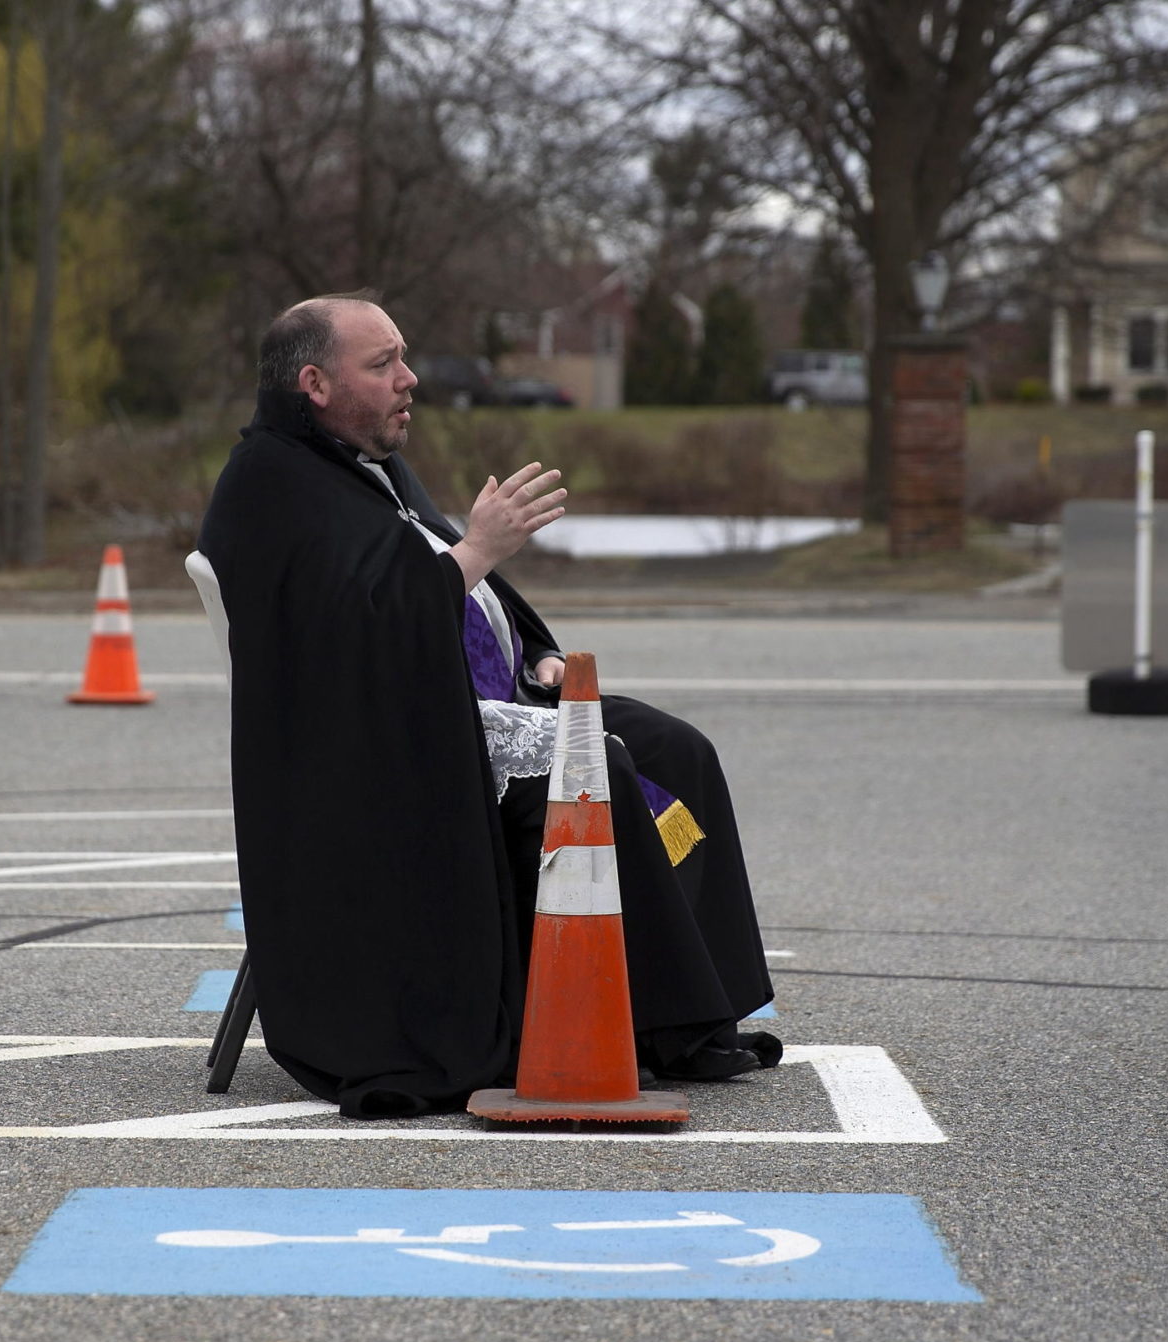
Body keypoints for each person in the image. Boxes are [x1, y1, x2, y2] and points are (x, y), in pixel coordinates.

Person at [196, 292, 777, 1119]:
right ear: (316, 383)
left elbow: (456, 583)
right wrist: (479, 546)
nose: (410, 378)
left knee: (678, 750)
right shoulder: (269, 487)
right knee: (597, 764)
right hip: (380, 747)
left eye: (404, 356)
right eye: (383, 364)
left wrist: (534, 646)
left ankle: (687, 1019)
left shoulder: (370, 463)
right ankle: (621, 1018)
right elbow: (360, 637)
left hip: (484, 699)